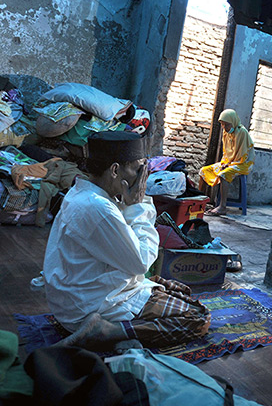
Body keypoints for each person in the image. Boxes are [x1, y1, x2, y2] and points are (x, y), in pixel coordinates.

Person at [44, 131, 211, 351]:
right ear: (115, 170)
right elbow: (142, 262)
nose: (141, 177)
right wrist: (137, 205)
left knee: (181, 293)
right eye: (138, 169)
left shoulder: (85, 193)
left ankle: (121, 332)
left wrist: (129, 204)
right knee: (198, 317)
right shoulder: (98, 207)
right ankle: (108, 332)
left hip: (78, 297)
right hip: (89, 306)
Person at [200, 109, 254, 216]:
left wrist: (229, 165)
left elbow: (243, 154)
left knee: (224, 174)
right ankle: (200, 201)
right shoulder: (226, 133)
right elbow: (226, 152)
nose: (224, 127)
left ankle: (222, 207)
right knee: (203, 171)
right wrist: (225, 163)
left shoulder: (242, 132)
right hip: (230, 162)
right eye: (223, 125)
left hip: (243, 163)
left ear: (233, 122)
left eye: (227, 125)